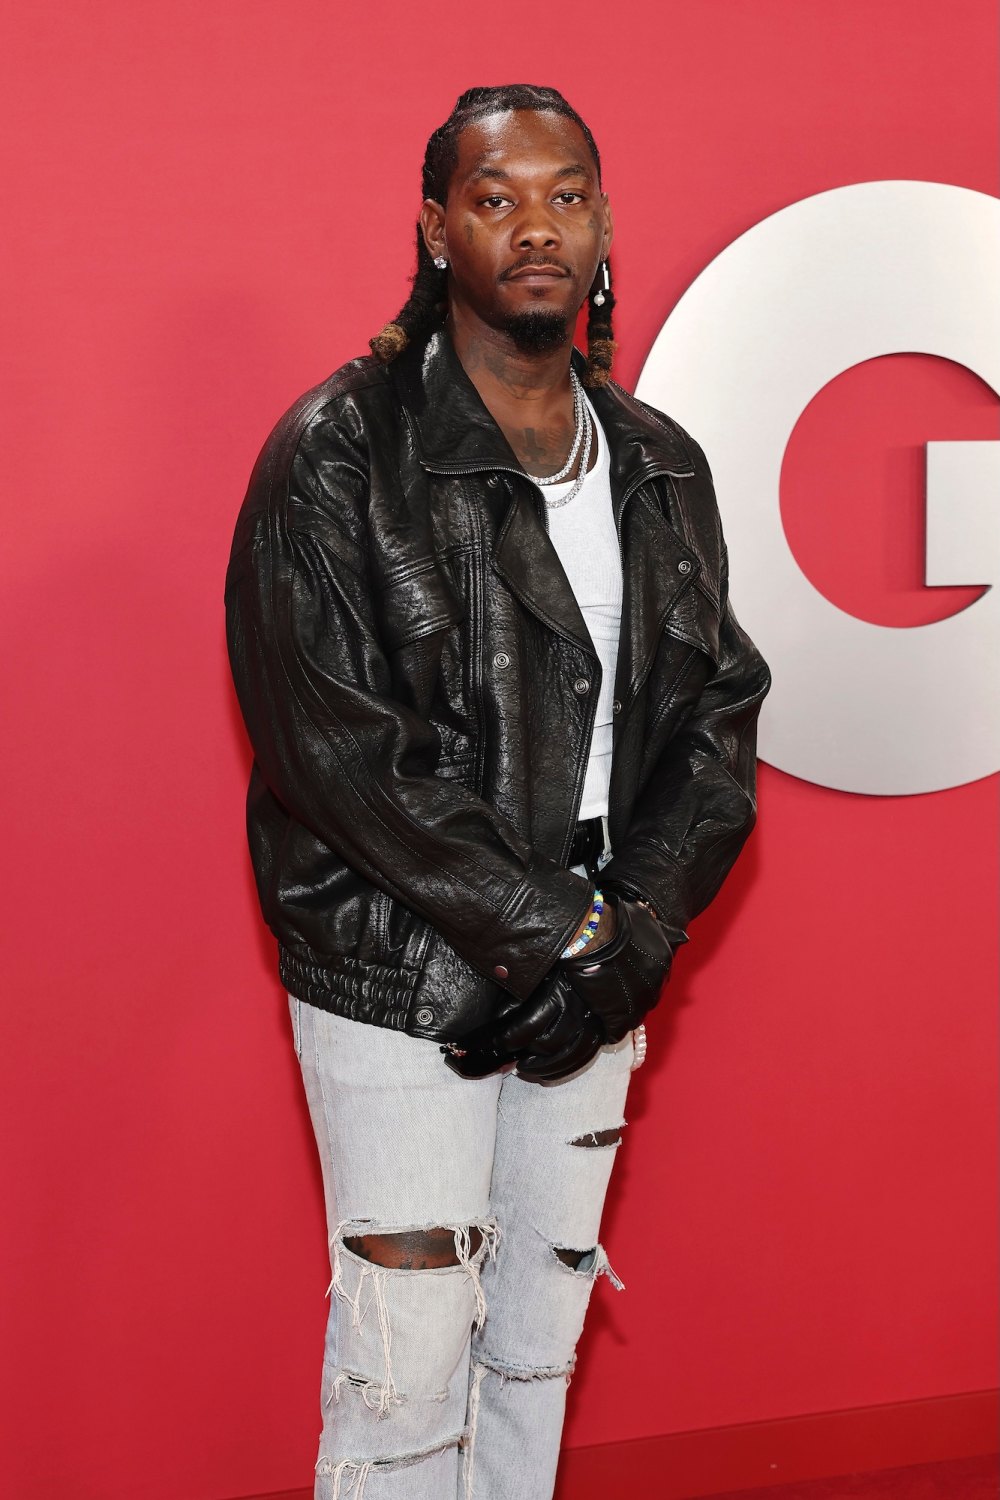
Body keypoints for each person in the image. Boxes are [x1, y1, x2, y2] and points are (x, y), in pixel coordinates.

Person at [225, 82, 770, 1500]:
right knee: (405, 1361)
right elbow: (339, 753)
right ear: (435, 227)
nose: (538, 226)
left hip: (598, 961)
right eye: (497, 197)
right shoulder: (340, 449)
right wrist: (557, 930)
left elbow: (716, 715)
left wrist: (636, 930)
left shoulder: (657, 462)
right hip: (401, 968)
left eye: (566, 195)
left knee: (536, 1339)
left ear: (603, 224)